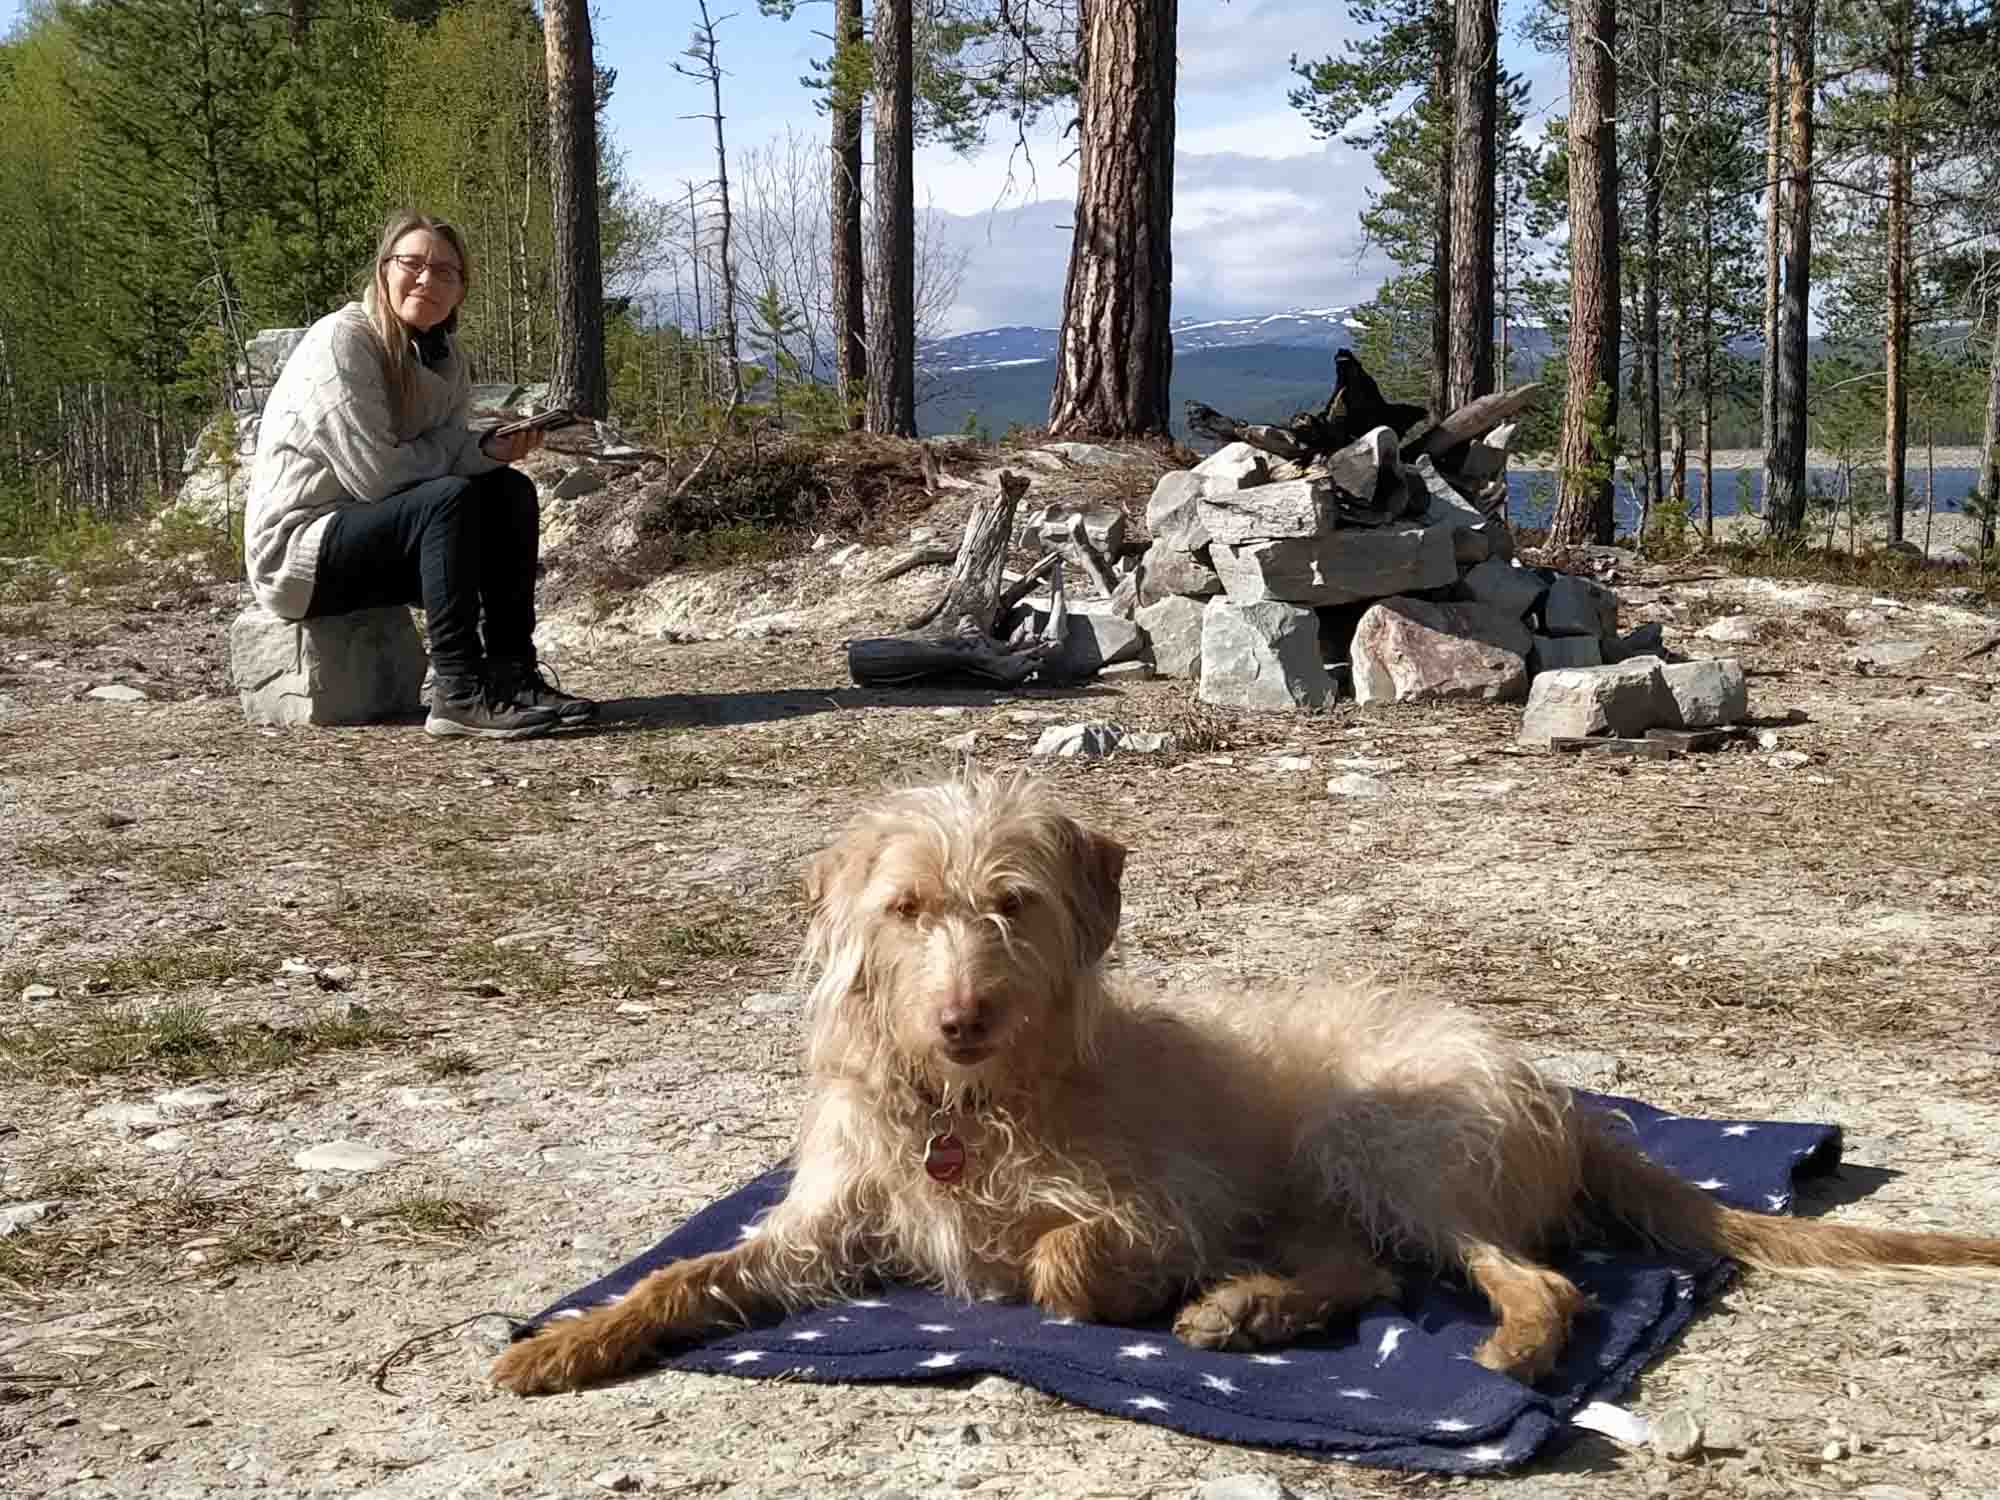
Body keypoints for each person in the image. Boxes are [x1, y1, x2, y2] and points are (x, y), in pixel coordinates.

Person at [244, 211, 595, 739]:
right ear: (384, 270)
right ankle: (457, 690)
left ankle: (512, 674)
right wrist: (471, 449)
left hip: (384, 535)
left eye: (445, 272)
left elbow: (445, 457)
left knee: (509, 490)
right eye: (412, 263)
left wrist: (488, 451)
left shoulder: (447, 358)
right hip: (299, 554)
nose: (427, 279)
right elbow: (378, 477)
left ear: (460, 291)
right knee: (449, 498)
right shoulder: (343, 342)